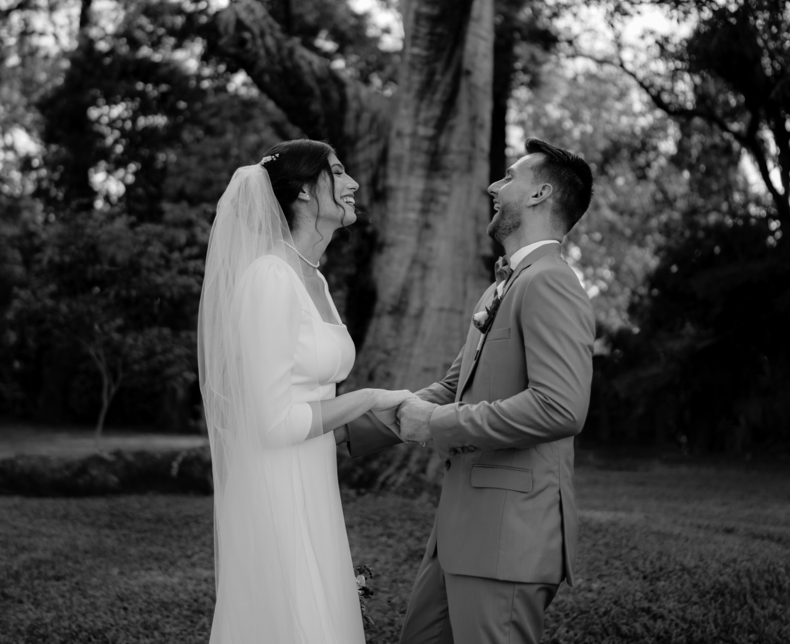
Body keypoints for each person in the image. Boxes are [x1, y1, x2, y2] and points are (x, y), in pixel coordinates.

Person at [342, 137, 596, 644]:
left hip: (508, 540)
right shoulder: (500, 286)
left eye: (508, 177)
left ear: (540, 194)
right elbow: (454, 387)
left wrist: (435, 426)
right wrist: (343, 433)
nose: (492, 186)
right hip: (461, 536)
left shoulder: (550, 281)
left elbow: (560, 407)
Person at [197, 139, 413, 644]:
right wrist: (371, 398)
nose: (352, 183)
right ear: (301, 192)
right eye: (337, 172)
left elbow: (314, 402)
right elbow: (274, 424)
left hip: (314, 481)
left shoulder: (312, 277)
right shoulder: (270, 279)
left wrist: (405, 417)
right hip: (277, 488)